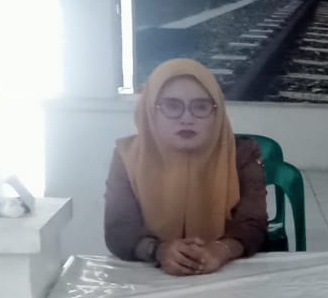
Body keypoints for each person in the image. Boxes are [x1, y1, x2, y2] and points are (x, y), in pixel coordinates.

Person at [104, 58, 267, 275]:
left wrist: (221, 250)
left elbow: (253, 223)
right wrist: (159, 251)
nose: (187, 118)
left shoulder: (242, 154)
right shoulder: (127, 156)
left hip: (228, 274)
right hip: (148, 276)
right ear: (151, 110)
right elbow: (119, 228)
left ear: (217, 112)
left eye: (201, 106)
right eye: (172, 106)